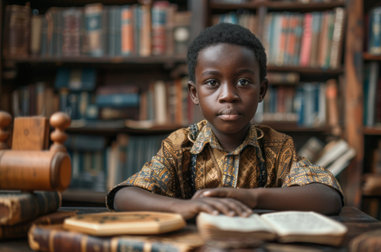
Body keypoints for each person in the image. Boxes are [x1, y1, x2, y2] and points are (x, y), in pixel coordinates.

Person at [107, 23, 343, 220]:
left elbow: (328, 196)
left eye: (243, 82)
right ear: (194, 93)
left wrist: (253, 197)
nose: (228, 95)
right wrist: (183, 207)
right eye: (212, 83)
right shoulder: (180, 146)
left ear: (262, 91)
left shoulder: (277, 147)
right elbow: (123, 195)